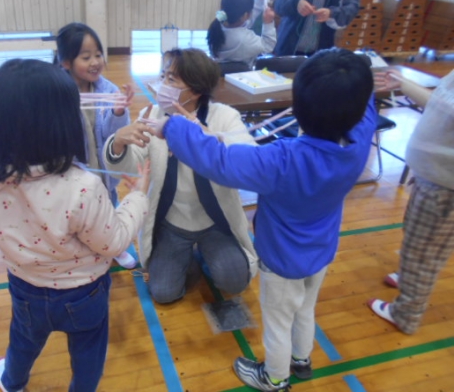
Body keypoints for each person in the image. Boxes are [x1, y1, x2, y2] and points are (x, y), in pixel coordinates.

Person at [153, 48, 376, 391]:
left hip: (282, 260)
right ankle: (301, 359)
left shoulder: (282, 160)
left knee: (278, 321)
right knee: (305, 309)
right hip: (320, 251)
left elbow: (219, 161)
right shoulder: (357, 146)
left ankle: (274, 377)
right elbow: (365, 110)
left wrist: (172, 127)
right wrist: (363, 82)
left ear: (299, 105)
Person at [0, 59, 150, 392]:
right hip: (84, 292)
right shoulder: (83, 186)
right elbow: (113, 243)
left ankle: (13, 383)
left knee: (24, 339)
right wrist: (137, 196)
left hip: (26, 288)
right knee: (88, 351)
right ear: (64, 124)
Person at [103, 47, 258, 304]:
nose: (162, 85)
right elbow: (132, 165)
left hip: (214, 221)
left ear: (195, 91)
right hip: (172, 223)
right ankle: (186, 257)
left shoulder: (224, 116)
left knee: (235, 281)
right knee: (164, 293)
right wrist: (119, 143)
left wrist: (209, 137)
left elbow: (249, 158)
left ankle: (205, 253)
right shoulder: (152, 115)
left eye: (171, 79)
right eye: (163, 76)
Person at [368, 69, 454, 335]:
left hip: (445, 186)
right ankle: (408, 276)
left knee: (424, 253)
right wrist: (404, 85)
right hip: (434, 176)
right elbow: (442, 104)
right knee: (416, 238)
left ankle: (406, 314)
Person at [56, 22, 138, 269]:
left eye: (98, 54)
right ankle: (84, 251)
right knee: (77, 217)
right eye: (86, 57)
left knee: (108, 211)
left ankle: (114, 248)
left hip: (102, 175)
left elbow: (114, 138)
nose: (95, 62)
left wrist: (118, 111)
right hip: (73, 176)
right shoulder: (57, 94)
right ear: (66, 62)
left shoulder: (108, 90)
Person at [273, 0, 359, 56]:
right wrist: (296, 3)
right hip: (288, 48)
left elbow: (351, 8)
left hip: (322, 53)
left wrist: (331, 13)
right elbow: (279, 3)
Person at [207, 0, 276, 70]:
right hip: (240, 76)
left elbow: (246, 20)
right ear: (246, 15)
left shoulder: (217, 25)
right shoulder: (245, 40)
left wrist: (259, 0)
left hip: (218, 74)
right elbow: (268, 45)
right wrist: (268, 23)